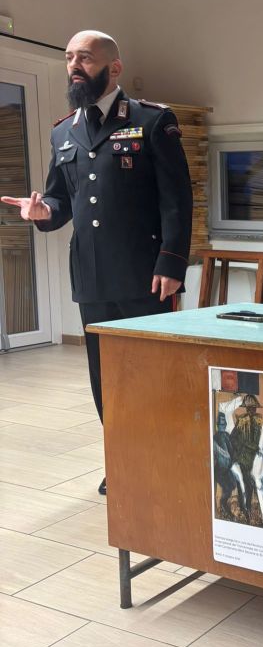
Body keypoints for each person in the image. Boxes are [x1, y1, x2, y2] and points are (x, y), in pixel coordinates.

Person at [1, 30, 192, 495]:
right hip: (91, 277)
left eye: (84, 58)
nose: (74, 66)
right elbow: (60, 199)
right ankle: (123, 458)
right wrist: (42, 212)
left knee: (151, 372)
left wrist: (171, 263)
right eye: (69, 58)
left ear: (114, 67)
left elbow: (177, 199)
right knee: (103, 377)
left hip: (146, 276)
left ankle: (164, 459)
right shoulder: (63, 131)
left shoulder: (152, 120)